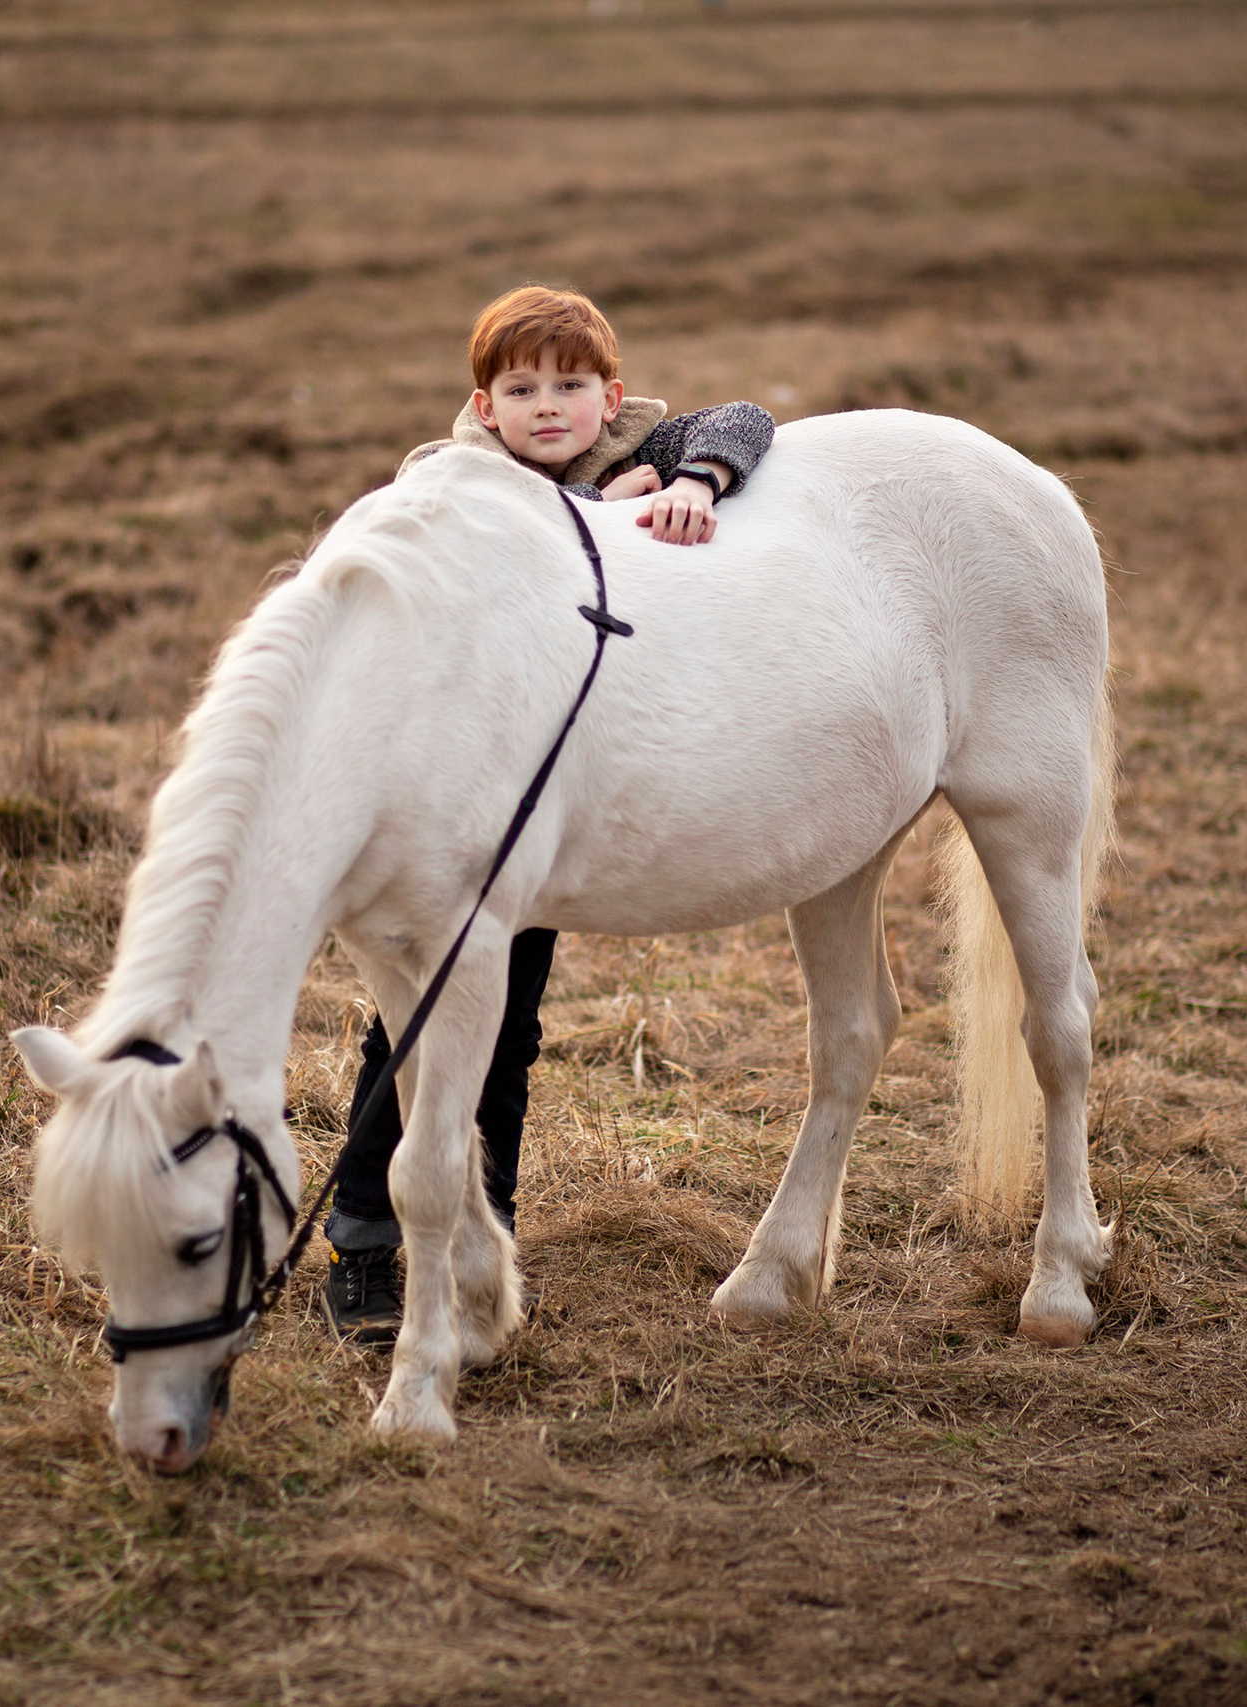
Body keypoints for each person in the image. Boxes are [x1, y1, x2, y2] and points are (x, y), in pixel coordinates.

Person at [323, 285, 775, 1342]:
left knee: (508, 1032)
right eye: (520, 390)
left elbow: (748, 418)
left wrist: (693, 479)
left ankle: (485, 1232)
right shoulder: (450, 475)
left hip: (553, 796)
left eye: (569, 386)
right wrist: (599, 511)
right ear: (484, 408)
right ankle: (361, 1235)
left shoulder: (637, 445)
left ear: (609, 397)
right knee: (409, 1032)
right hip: (446, 804)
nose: (546, 407)